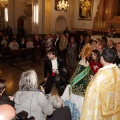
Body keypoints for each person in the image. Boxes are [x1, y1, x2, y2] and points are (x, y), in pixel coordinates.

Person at [80, 48, 120, 120]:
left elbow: (90, 95)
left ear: (102, 58)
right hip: (115, 109)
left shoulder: (101, 75)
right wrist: (95, 79)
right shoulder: (118, 71)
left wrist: (93, 81)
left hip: (102, 111)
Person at [62, 44, 93, 120]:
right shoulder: (87, 64)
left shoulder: (81, 64)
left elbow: (76, 74)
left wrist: (71, 81)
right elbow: (89, 74)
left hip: (77, 88)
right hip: (84, 88)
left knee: (73, 103)